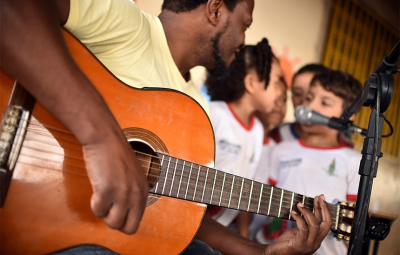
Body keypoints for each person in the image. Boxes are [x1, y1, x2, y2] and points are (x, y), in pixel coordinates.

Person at [1, 0, 332, 254]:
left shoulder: (194, 110)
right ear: (215, 9)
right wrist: (102, 137)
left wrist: (261, 252)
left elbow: (178, 219)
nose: (244, 41)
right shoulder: (127, 25)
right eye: (244, 24)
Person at [269, 69, 362, 254]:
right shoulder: (281, 150)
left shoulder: (354, 161)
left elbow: (353, 225)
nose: (310, 106)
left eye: (325, 103)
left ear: (348, 115)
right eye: (309, 98)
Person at [204, 38, 279, 227]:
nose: (279, 93)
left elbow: (246, 189)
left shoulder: (257, 130)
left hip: (222, 232)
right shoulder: (214, 113)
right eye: (276, 83)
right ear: (252, 82)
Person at [235, 56, 289, 240]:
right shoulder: (242, 138)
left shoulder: (278, 150)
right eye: (275, 94)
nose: (279, 103)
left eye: (284, 99)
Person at [269, 64, 328, 143]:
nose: (305, 102)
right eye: (298, 93)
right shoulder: (276, 136)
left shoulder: (342, 146)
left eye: (311, 96)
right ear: (292, 98)